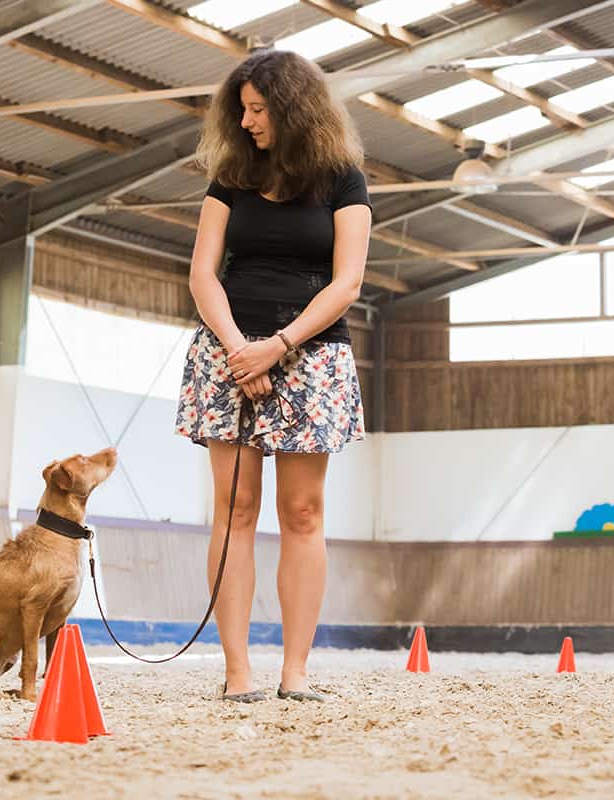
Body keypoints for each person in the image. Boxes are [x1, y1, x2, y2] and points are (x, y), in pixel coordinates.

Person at [175, 49, 371, 703]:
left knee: (303, 512)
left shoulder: (343, 178)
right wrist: (239, 350)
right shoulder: (230, 174)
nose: (247, 120)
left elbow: (347, 282)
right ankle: (237, 675)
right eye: (242, 109)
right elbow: (203, 272)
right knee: (235, 510)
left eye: (258, 109)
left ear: (292, 108)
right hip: (228, 349)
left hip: (311, 354)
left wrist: (279, 348)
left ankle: (295, 673)